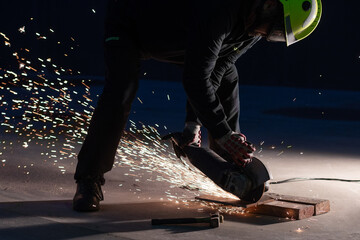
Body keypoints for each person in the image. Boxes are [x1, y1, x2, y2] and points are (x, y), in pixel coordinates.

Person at [73, 0, 322, 211]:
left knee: (227, 77)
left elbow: (218, 69)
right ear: (268, 4)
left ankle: (228, 162)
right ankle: (89, 179)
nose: (268, 34)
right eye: (275, 27)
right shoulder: (222, 9)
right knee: (121, 89)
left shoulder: (255, 28)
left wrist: (193, 125)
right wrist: (223, 132)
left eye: (276, 34)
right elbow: (195, 77)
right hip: (130, 26)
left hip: (182, 39)